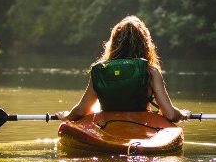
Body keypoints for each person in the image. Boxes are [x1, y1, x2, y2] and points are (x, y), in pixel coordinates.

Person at [56, 15, 190, 122]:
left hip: (107, 127)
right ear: (145, 44)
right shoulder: (151, 72)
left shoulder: (100, 70)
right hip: (141, 127)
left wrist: (67, 117)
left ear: (113, 43)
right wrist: (183, 114)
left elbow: (81, 110)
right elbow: (171, 114)